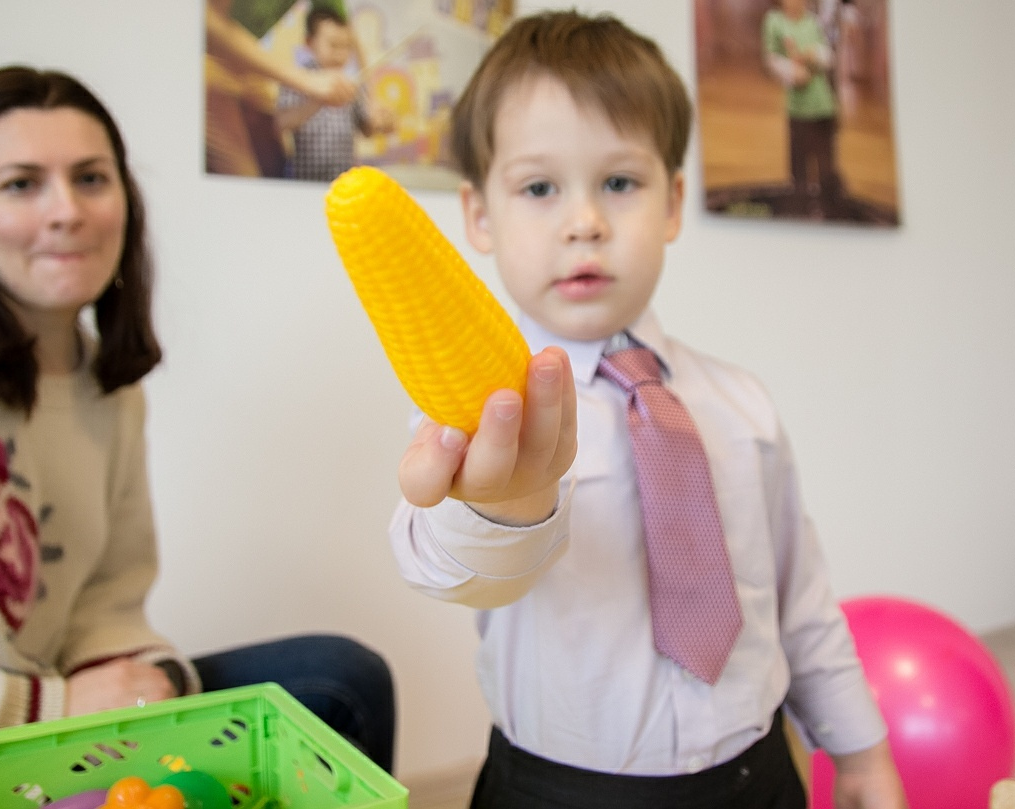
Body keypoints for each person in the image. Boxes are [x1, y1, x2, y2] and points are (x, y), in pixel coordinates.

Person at [388, 10, 905, 808]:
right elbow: (443, 560)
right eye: (538, 187)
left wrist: (862, 750)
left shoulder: (743, 405)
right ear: (480, 217)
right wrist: (497, 507)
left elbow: (800, 600)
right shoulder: (477, 415)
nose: (585, 221)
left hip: (757, 773)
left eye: (620, 183)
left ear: (671, 205)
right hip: (560, 788)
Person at [0, 65, 394, 773]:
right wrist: (50, 710)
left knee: (342, 679)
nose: (67, 211)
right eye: (21, 183)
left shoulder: (109, 385)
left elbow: (106, 603)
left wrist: (152, 679)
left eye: (90, 179)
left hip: (57, 727)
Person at [205, 0, 358, 177]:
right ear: (309, 43)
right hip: (205, 61)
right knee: (244, 175)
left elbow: (347, 24)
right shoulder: (305, 80)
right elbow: (208, 21)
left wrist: (372, 100)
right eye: (333, 45)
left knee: (272, 166)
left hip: (246, 69)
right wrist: (306, 81)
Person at [276, 6, 395, 182]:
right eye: (333, 45)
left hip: (343, 183)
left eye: (346, 47)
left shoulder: (352, 83)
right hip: (303, 182)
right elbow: (280, 123)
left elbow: (367, 129)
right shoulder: (298, 80)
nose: (340, 54)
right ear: (309, 42)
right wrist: (318, 100)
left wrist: (380, 121)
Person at [762, 0, 846, 217]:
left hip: (822, 106)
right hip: (797, 109)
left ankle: (830, 211)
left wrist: (813, 54)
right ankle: (800, 212)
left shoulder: (813, 22)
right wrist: (791, 71)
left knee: (826, 165)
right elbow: (771, 59)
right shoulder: (774, 22)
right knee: (798, 167)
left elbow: (829, 57)